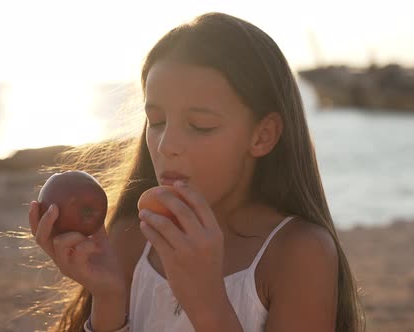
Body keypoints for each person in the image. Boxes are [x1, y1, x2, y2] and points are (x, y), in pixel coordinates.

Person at [28, 12, 364, 332]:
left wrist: (207, 303)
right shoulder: (133, 234)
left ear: (262, 135)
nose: (165, 145)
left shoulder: (299, 252)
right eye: (156, 122)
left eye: (200, 126)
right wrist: (108, 296)